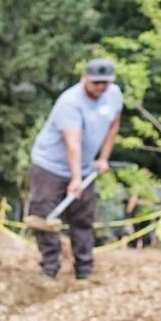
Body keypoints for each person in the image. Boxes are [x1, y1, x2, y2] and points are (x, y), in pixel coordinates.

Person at [25, 58, 123, 280]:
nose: (100, 87)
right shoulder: (69, 102)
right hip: (50, 165)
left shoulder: (114, 94)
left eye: (104, 83)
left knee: (83, 219)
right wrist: (75, 178)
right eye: (96, 82)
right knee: (45, 216)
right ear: (84, 79)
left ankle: (84, 272)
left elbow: (114, 124)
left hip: (86, 166)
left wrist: (104, 158)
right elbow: (72, 143)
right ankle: (49, 268)